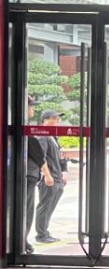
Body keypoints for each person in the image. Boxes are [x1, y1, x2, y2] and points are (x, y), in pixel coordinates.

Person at [23, 96, 53, 253]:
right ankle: (22, 241)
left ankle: (21, 240)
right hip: (28, 175)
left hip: (27, 175)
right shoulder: (26, 130)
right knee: (26, 210)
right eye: (31, 106)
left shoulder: (25, 128)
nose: (33, 109)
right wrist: (47, 174)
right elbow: (38, 155)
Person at [35, 110, 68, 243]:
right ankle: (41, 235)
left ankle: (45, 232)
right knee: (45, 206)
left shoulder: (53, 137)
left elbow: (60, 157)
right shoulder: (42, 136)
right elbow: (40, 157)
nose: (58, 121)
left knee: (50, 207)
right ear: (45, 121)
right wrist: (47, 175)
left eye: (59, 118)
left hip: (57, 177)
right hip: (49, 178)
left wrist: (64, 172)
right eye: (55, 118)